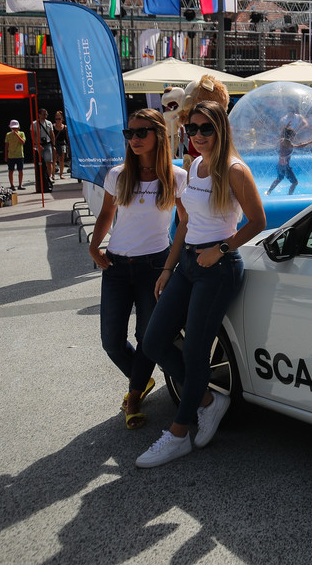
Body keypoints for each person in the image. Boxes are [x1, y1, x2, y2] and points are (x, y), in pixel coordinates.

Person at [138, 100, 266, 467]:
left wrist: (221, 249)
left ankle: (179, 434)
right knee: (152, 340)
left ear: (221, 128)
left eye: (204, 128)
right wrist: (167, 267)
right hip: (188, 264)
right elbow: (185, 223)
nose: (197, 135)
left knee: (195, 353)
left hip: (218, 267)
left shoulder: (235, 170)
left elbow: (257, 221)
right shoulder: (193, 165)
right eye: (191, 129)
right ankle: (209, 401)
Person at [89, 109, 188, 432]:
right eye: (128, 133)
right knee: (111, 343)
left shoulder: (176, 177)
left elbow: (186, 222)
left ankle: (133, 397)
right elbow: (106, 214)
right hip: (116, 265)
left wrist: (171, 266)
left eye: (140, 132)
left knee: (147, 338)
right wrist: (94, 246)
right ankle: (141, 380)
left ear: (159, 134)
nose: (133, 139)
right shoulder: (118, 175)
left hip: (154, 266)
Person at [265, 127, 312, 195]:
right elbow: (299, 146)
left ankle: (269, 191)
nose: (294, 138)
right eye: (293, 136)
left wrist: (286, 127)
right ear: (290, 137)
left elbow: (283, 134)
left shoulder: (281, 141)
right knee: (295, 182)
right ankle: (289, 195)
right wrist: (310, 142)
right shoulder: (289, 144)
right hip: (285, 167)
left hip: (279, 166)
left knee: (278, 179)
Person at [32, 109, 54, 192]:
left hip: (47, 144)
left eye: (46, 114)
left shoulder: (49, 123)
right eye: (44, 114)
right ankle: (41, 179)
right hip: (39, 145)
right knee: (39, 163)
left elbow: (52, 134)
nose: (45, 116)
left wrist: (53, 145)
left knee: (49, 162)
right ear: (39, 115)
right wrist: (37, 144)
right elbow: (33, 135)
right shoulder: (34, 124)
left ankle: (48, 178)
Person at [4, 120, 27, 190]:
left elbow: (23, 142)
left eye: (15, 128)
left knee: (20, 170)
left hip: (19, 155)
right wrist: (6, 155)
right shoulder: (8, 135)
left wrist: (17, 135)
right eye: (13, 128)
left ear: (18, 127)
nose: (14, 129)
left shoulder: (22, 133)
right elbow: (6, 145)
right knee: (11, 170)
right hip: (11, 155)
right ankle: (12, 185)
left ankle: (20, 185)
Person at [52, 111, 69, 179]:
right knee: (54, 159)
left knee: (61, 159)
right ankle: (53, 174)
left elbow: (67, 137)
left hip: (62, 143)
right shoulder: (53, 126)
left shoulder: (65, 127)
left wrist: (69, 144)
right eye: (56, 119)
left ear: (62, 119)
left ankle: (61, 174)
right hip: (55, 143)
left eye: (59, 119)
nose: (58, 120)